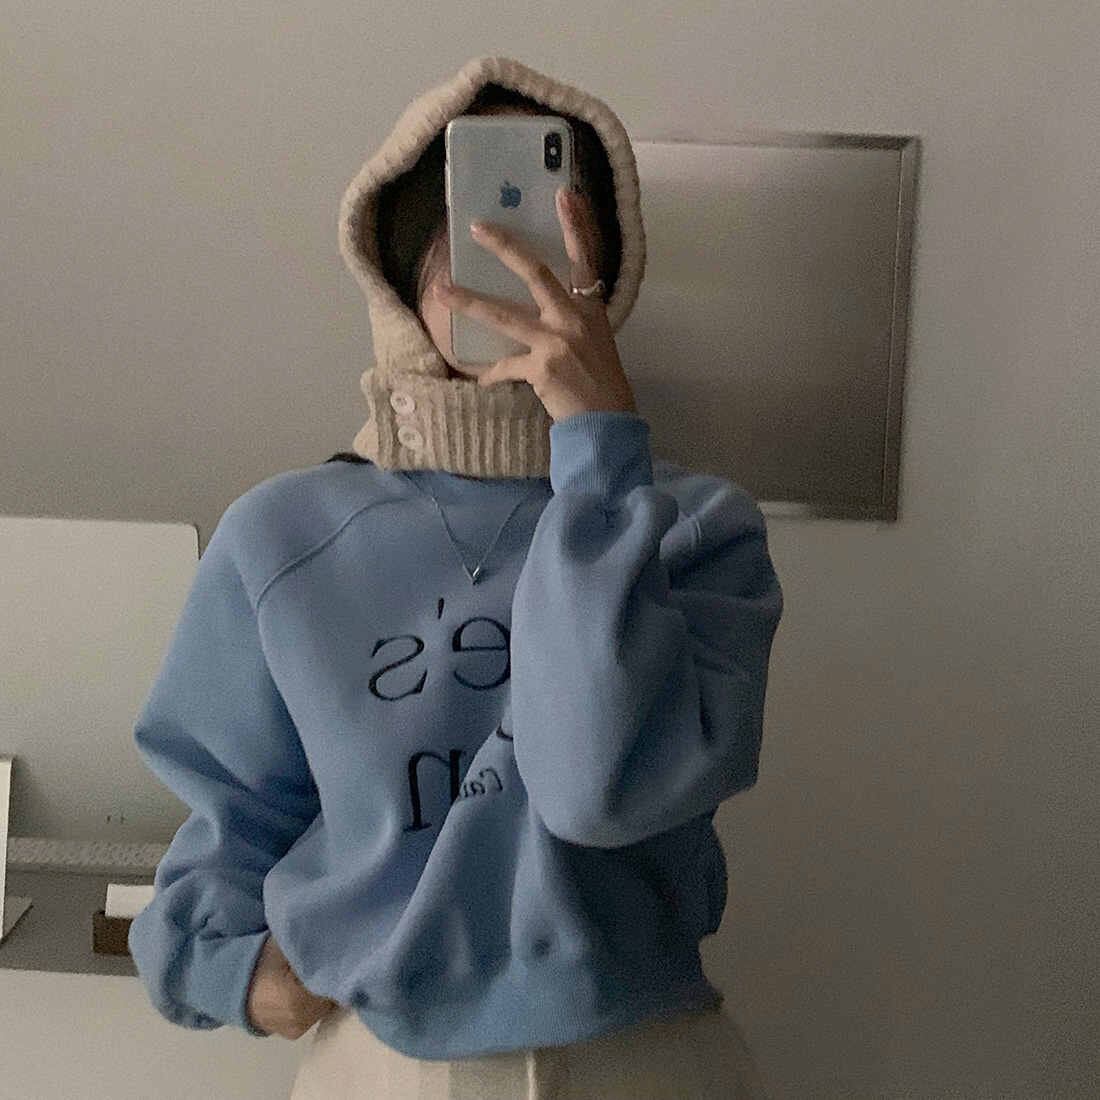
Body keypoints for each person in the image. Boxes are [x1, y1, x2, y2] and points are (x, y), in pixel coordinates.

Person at [127, 55, 783, 1100]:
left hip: (643, 1056)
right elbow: (230, 810)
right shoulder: (283, 533)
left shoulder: (697, 527)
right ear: (395, 265)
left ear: (607, 262)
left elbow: (601, 790)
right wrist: (224, 965)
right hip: (382, 1059)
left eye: (551, 225)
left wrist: (598, 453)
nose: (508, 258)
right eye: (468, 221)